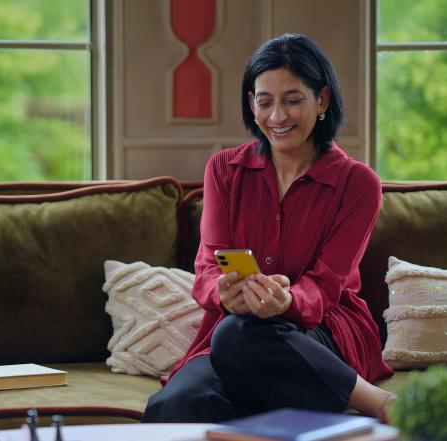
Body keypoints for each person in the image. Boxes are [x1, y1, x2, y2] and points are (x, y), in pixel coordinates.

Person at [142, 33, 395, 424]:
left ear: (322, 100)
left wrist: (286, 303)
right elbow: (209, 269)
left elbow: (327, 286)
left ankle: (374, 401)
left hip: (322, 334)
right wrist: (226, 295)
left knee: (239, 336)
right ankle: (304, 410)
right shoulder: (224, 170)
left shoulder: (358, 184)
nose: (278, 117)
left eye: (293, 100)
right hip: (235, 333)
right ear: (251, 104)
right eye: (265, 102)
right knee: (175, 404)